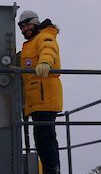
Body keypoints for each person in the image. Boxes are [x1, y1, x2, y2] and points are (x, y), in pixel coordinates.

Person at [18, 10, 63, 174]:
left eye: (27, 24)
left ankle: (51, 170)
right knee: (44, 138)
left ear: (35, 22)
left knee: (45, 138)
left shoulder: (44, 36)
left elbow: (48, 49)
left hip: (46, 97)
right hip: (37, 99)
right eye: (21, 26)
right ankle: (50, 169)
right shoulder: (30, 42)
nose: (24, 29)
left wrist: (45, 63)